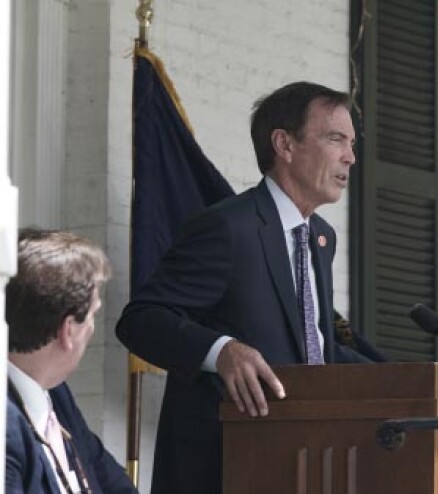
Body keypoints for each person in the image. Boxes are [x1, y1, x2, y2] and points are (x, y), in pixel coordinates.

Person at [116, 81, 376, 494]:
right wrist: (220, 351)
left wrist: (407, 379)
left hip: (300, 466)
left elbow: (313, 349)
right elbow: (141, 321)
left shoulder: (321, 238)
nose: (351, 156)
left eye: (351, 142)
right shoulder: (227, 227)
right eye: (335, 139)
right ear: (284, 145)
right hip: (222, 470)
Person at [6, 229, 138, 493]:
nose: (92, 328)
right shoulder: (5, 429)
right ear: (68, 330)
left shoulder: (55, 392)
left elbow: (108, 476)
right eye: (92, 315)